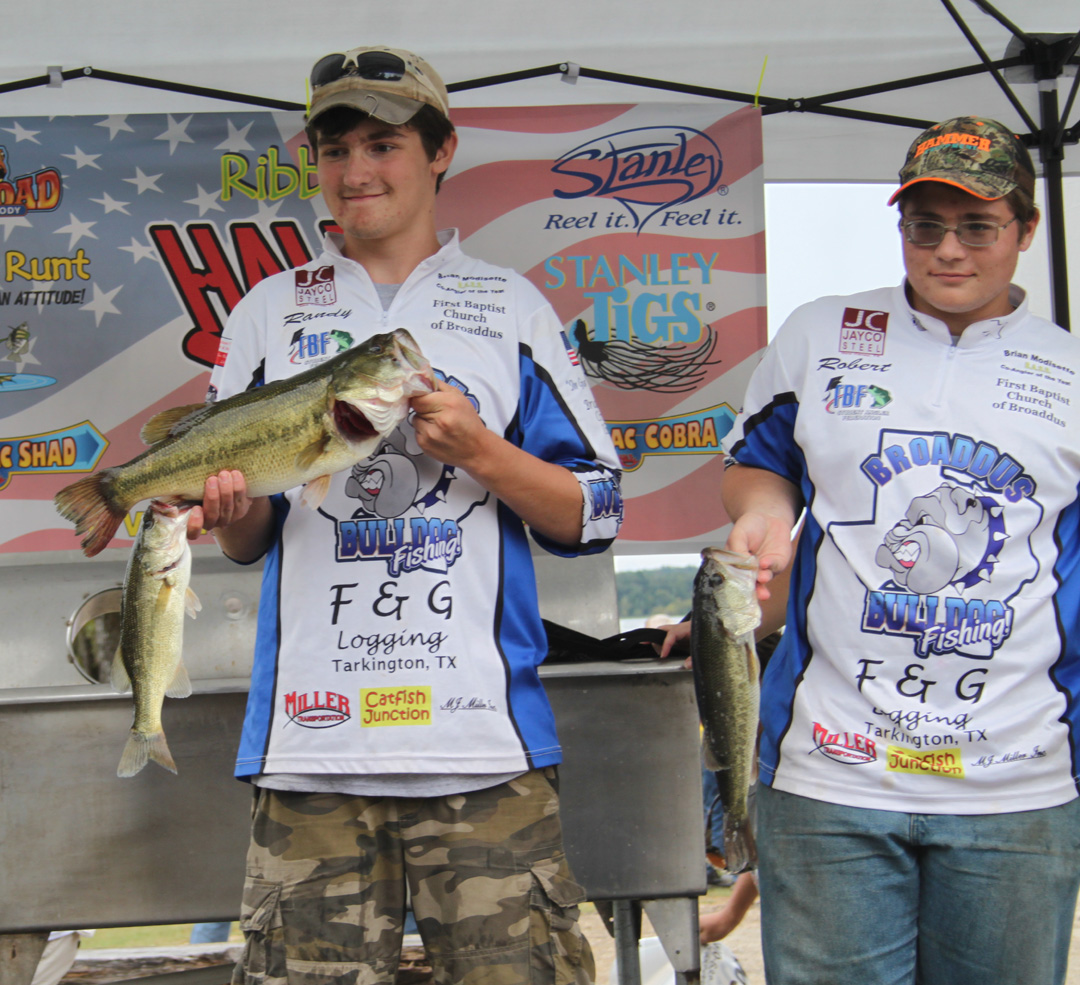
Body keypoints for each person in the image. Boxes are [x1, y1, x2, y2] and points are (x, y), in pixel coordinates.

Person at [185, 45, 623, 985]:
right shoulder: (267, 311)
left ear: (441, 152)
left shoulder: (510, 305)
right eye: (334, 147)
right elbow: (252, 538)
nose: (355, 171)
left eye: (382, 144)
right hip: (312, 749)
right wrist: (227, 511)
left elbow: (595, 510)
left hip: (483, 750)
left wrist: (484, 454)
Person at [716, 116, 1080, 984]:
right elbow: (757, 467)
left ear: (1026, 231)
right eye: (926, 225)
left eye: (977, 226)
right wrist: (764, 516)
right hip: (830, 772)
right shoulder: (821, 334)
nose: (948, 250)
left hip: (1017, 785)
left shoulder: (1069, 371)